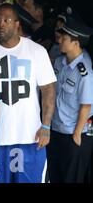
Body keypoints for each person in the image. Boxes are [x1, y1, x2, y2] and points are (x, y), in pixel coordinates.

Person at [0, 3, 57, 183]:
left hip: (30, 137)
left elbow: (49, 90)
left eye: (6, 20)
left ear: (17, 24)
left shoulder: (36, 51)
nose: (1, 24)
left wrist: (46, 126)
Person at [47, 16, 93, 183]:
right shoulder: (60, 62)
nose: (60, 40)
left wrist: (76, 134)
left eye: (64, 38)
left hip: (72, 134)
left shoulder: (85, 72)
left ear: (76, 43)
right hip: (56, 130)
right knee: (55, 176)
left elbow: (86, 106)